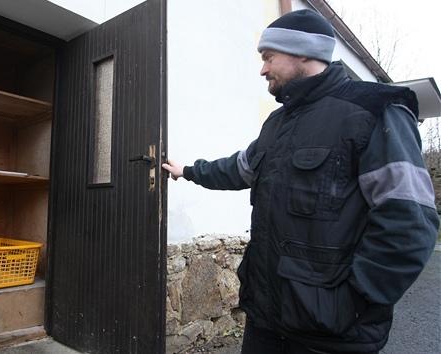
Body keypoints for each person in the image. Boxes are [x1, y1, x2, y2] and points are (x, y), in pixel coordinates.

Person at [162, 9, 439, 354]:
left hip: (330, 335)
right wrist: (187, 170)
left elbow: (409, 224)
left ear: (304, 52)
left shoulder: (373, 110)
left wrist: (356, 299)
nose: (262, 68)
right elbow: (238, 168)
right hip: (265, 321)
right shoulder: (277, 124)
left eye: (268, 57)